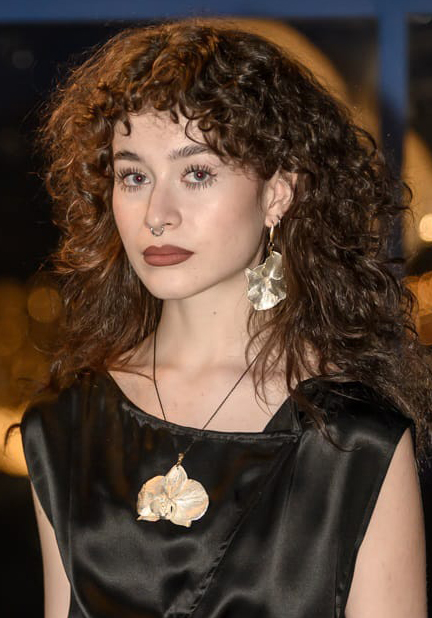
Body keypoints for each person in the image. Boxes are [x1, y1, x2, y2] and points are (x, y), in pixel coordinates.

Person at [17, 17, 430, 617]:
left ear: (278, 194)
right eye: (134, 175)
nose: (157, 213)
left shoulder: (354, 442)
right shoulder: (66, 427)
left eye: (197, 173)